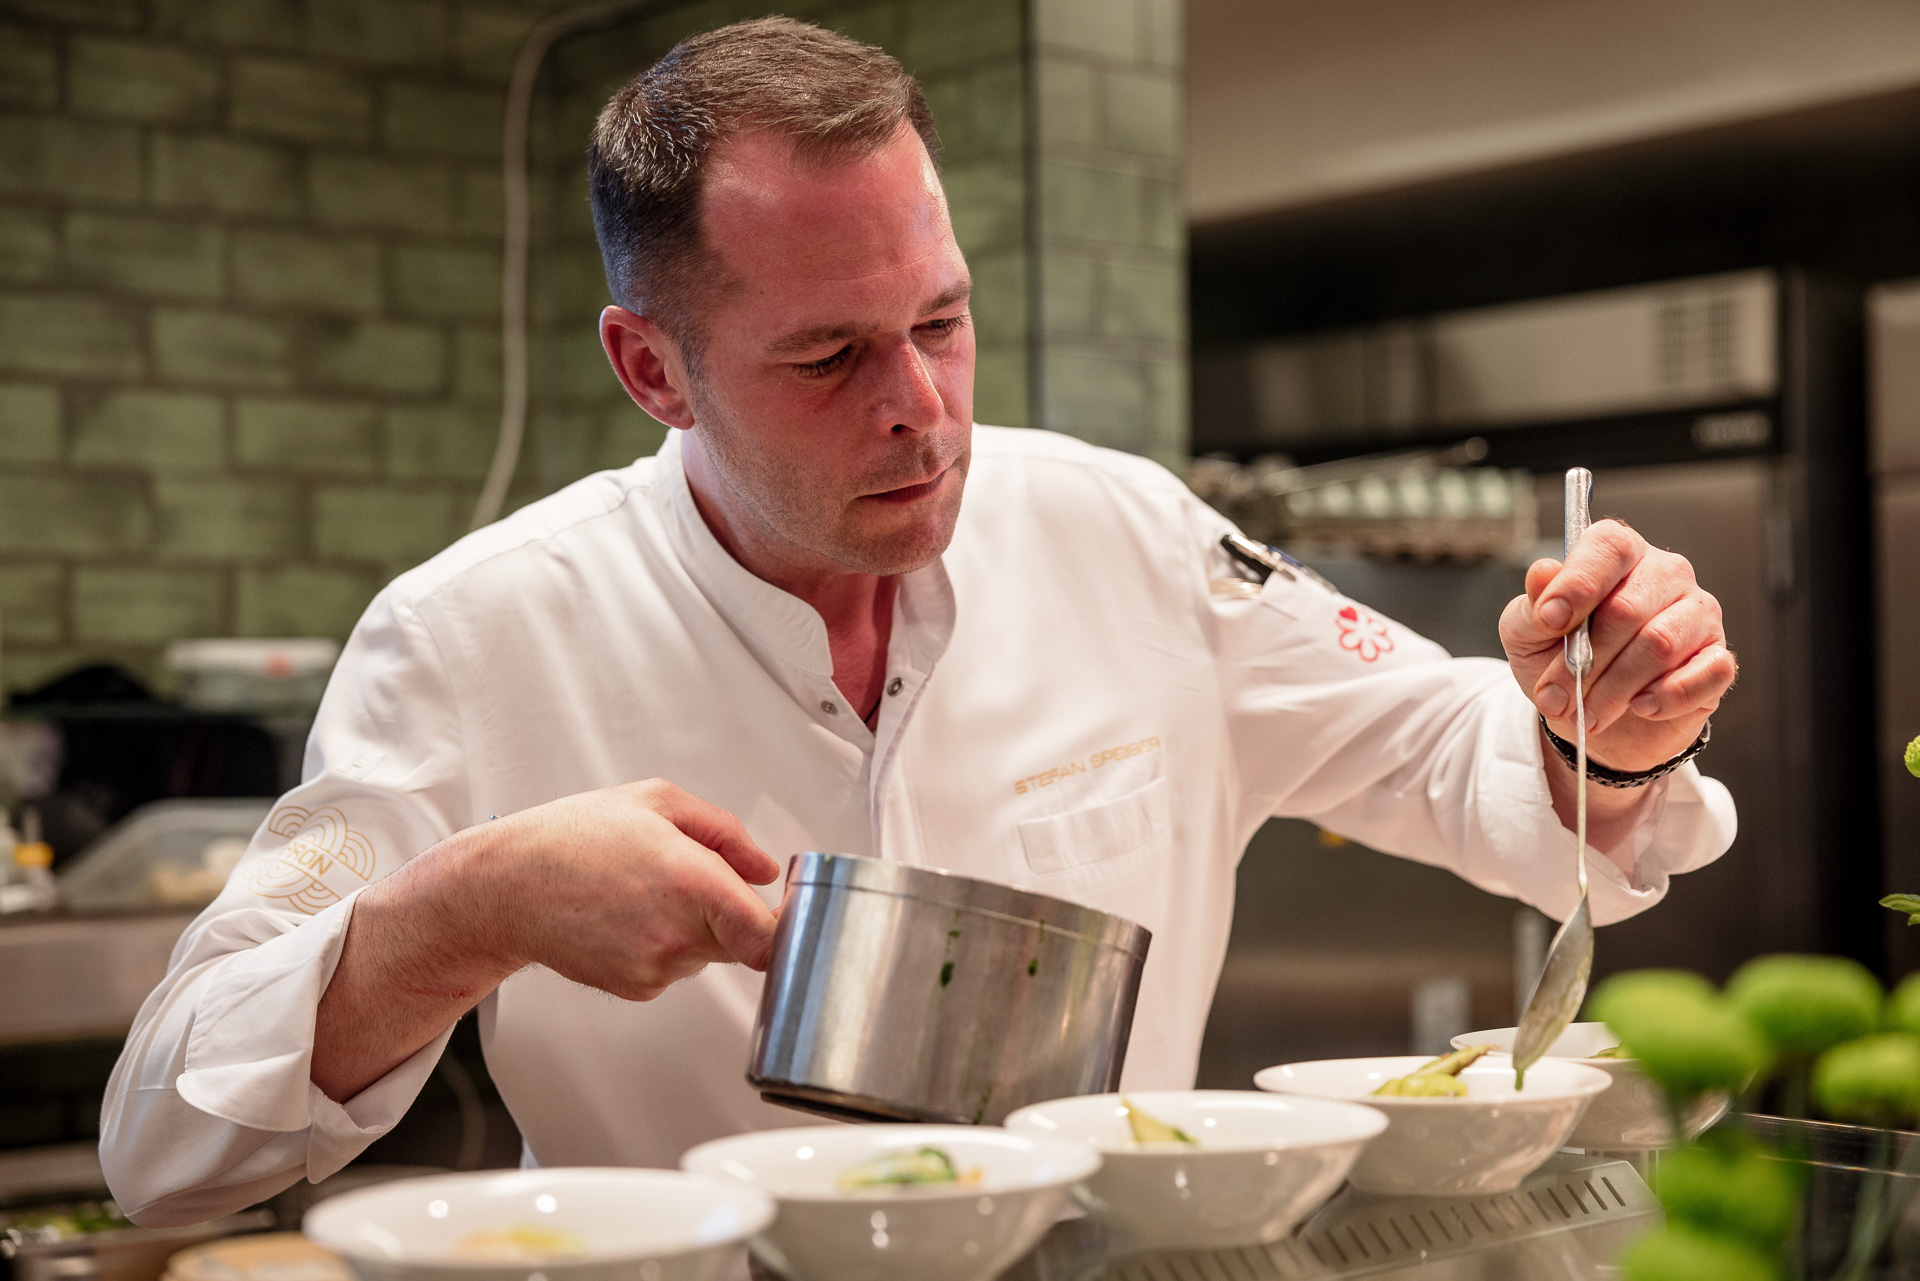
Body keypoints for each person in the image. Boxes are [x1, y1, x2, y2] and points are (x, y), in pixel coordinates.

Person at [100, 17, 1736, 1223]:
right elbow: (164, 1142)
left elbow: (1453, 747)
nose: (924, 412)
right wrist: (464, 913)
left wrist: (1599, 724)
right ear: (649, 367)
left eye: (942, 323)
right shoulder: (473, 637)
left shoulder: (1119, 530)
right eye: (829, 358)